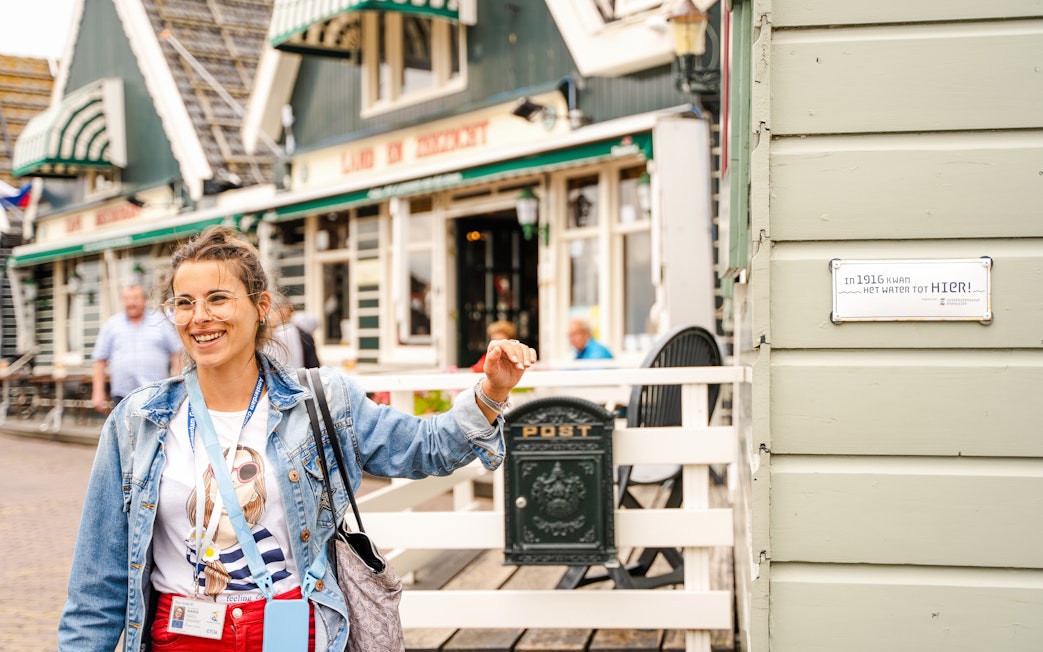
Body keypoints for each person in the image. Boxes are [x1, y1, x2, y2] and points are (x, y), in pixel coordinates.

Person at [59, 226, 538, 652]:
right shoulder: (135, 422)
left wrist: (492, 389)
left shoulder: (320, 399)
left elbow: (424, 447)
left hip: (297, 630)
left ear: (261, 306)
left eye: (218, 299)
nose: (199, 316)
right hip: (182, 635)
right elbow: (97, 586)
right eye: (184, 303)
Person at [91, 283, 183, 411]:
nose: (131, 303)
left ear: (144, 300)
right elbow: (100, 360)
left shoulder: (159, 321)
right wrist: (98, 392)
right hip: (122, 396)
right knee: (124, 431)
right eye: (127, 299)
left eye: (135, 298)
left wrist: (178, 387)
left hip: (157, 394)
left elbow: (177, 353)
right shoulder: (112, 325)